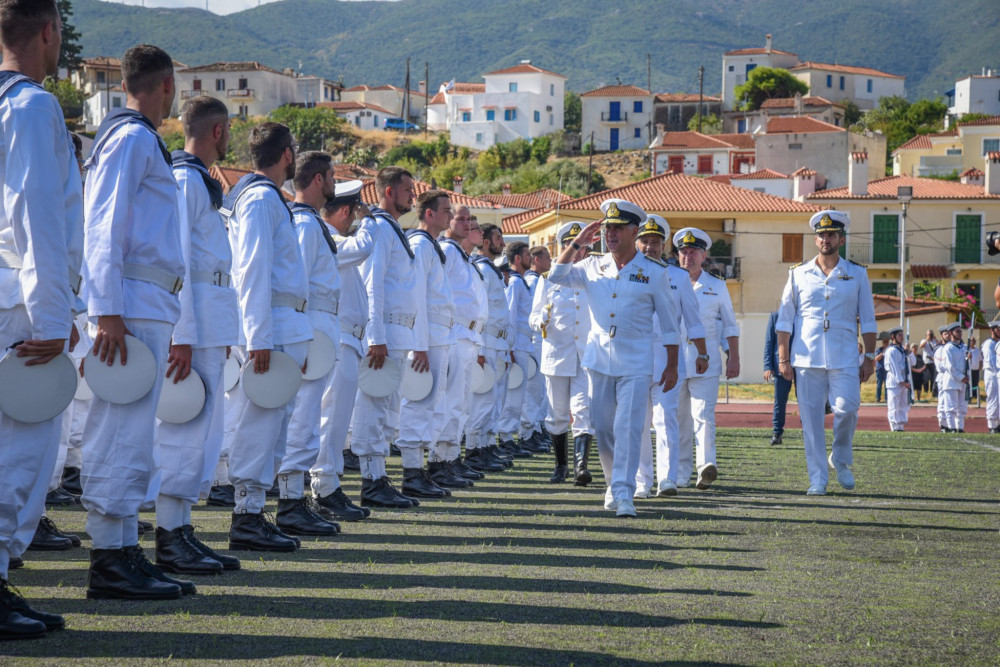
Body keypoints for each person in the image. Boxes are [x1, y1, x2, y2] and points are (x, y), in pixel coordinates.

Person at [82, 44, 192, 599]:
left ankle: (125, 547)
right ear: (166, 83)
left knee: (135, 436)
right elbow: (104, 226)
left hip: (145, 304)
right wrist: (107, 311)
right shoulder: (129, 138)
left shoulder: (140, 139)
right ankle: (108, 557)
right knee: (119, 431)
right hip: (128, 305)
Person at [0, 0, 82, 636]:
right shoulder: (32, 105)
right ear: (49, 31)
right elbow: (36, 218)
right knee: (19, 454)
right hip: (19, 306)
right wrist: (55, 314)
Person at [547, 199, 680, 517]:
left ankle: (624, 493)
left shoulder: (654, 272)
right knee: (604, 429)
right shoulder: (591, 266)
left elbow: (670, 324)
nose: (611, 234)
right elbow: (555, 275)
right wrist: (579, 243)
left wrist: (673, 365)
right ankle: (613, 484)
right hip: (599, 361)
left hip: (635, 361)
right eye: (608, 228)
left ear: (634, 232)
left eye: (618, 229)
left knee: (631, 427)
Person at [154, 95, 241, 575]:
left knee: (206, 430)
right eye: (228, 131)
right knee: (187, 429)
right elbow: (180, 261)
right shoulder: (187, 181)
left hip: (212, 322)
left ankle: (182, 526)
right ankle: (169, 533)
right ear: (218, 130)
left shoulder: (200, 183)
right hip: (196, 324)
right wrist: (182, 334)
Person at [222, 122, 311, 551]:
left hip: (282, 322)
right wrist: (258, 337)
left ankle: (255, 511)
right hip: (269, 324)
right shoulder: (259, 199)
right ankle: (247, 515)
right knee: (260, 422)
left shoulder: (266, 198)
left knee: (277, 423)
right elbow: (251, 271)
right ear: (288, 155)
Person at [776, 210, 876, 495]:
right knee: (811, 421)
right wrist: (783, 358)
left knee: (847, 409)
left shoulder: (857, 273)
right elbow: (784, 320)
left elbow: (868, 320)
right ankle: (817, 478)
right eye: (821, 235)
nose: (825, 239)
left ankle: (840, 458)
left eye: (831, 235)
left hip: (844, 355)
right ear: (816, 239)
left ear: (840, 239)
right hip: (806, 357)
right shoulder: (798, 273)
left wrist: (869, 357)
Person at [275, 151, 345, 537]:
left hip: (320, 325)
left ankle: (295, 500)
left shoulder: (311, 223)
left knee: (308, 417)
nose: (335, 182)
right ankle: (289, 502)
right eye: (332, 175)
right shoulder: (303, 224)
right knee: (302, 418)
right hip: (309, 325)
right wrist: (300, 334)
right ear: (319, 179)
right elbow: (296, 281)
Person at [351, 166, 423, 508]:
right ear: (389, 191)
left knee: (388, 411)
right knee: (373, 408)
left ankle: (379, 475)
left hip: (399, 332)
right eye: (408, 189)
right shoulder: (378, 227)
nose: (414, 195)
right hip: (385, 333)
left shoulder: (392, 229)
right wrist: (374, 335)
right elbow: (372, 282)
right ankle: (371, 479)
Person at [632, 216, 707, 498]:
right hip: (636, 359)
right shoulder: (626, 274)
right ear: (636, 243)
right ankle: (642, 482)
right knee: (638, 423)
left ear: (663, 245)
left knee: (666, 421)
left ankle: (668, 479)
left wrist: (703, 352)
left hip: (669, 360)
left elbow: (693, 318)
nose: (650, 247)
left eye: (655, 242)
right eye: (645, 241)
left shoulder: (677, 277)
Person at [310, 182, 371, 521]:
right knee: (331, 419)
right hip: (339, 339)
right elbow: (365, 246)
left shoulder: (336, 241)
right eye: (355, 211)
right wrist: (372, 217)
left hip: (349, 339)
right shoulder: (334, 240)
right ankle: (324, 488)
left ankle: (329, 484)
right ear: (348, 211)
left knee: (337, 419)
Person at [397, 190, 460, 498]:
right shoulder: (421, 246)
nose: (450, 215)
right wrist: (418, 344)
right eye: (446, 210)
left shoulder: (432, 247)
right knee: (419, 401)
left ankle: (419, 470)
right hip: (428, 335)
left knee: (434, 405)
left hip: (440, 334)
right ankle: (411, 473)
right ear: (430, 214)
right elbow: (417, 297)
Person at [672, 227, 739, 490]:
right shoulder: (668, 281)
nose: (688, 256)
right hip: (673, 362)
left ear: (704, 255)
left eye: (693, 252)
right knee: (678, 419)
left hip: (706, 361)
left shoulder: (717, 286)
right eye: (684, 252)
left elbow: (731, 325)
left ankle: (706, 466)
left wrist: (734, 357)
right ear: (678, 255)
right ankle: (679, 473)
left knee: (703, 414)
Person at [528, 222, 595, 483]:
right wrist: (540, 320)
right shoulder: (548, 279)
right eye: (572, 246)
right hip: (557, 353)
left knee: (582, 409)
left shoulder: (593, 274)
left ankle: (581, 466)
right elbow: (533, 317)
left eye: (582, 247)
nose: (578, 252)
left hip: (586, 354)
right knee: (556, 413)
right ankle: (561, 465)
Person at [438, 205, 489, 483]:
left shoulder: (462, 255)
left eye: (470, 219)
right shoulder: (447, 251)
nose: (468, 224)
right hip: (455, 333)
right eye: (461, 218)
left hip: (470, 336)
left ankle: (451, 457)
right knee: (451, 402)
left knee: (463, 403)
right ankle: (439, 461)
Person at [467, 223, 515, 471]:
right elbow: (480, 311)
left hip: (498, 342)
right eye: (498, 238)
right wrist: (481, 350)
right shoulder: (483, 270)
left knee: (493, 401)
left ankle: (485, 445)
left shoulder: (491, 270)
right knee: (483, 399)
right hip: (487, 342)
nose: (502, 243)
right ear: (485, 241)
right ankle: (474, 449)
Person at [496, 241, 536, 458]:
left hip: (523, 342)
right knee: (512, 393)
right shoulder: (515, 283)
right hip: (516, 342)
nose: (530, 258)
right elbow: (510, 314)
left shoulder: (521, 282)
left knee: (518, 394)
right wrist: (509, 345)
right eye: (527, 254)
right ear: (518, 258)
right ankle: (505, 436)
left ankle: (509, 434)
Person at [520, 245, 552, 453]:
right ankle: (527, 433)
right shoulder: (531, 282)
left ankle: (537, 428)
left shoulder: (535, 280)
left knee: (541, 390)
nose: (550, 261)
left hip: (538, 342)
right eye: (547, 257)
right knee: (533, 391)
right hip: (533, 341)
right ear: (537, 260)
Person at [763, 311, 793, 445]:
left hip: (802, 365)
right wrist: (768, 366)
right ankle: (777, 433)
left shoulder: (802, 316)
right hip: (781, 366)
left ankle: (809, 433)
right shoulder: (775, 317)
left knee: (806, 402)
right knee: (779, 402)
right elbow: (769, 342)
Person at [940, 322, 968, 433]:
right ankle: (951, 427)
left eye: (961, 331)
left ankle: (960, 427)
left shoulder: (964, 347)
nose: (960, 333)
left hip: (962, 381)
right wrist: (960, 377)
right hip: (951, 381)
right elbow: (949, 367)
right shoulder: (948, 348)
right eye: (958, 331)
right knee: (951, 407)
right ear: (951, 333)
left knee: (962, 407)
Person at [884, 327, 910, 431]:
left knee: (903, 405)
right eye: (899, 335)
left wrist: (909, 352)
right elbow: (894, 368)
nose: (902, 337)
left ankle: (901, 426)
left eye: (902, 335)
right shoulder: (891, 351)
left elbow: (912, 363)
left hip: (903, 381)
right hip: (895, 382)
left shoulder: (903, 351)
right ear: (893, 337)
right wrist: (902, 381)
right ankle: (894, 426)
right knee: (894, 405)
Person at [982, 321, 1000, 433]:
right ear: (992, 330)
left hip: (998, 374)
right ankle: (992, 425)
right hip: (992, 374)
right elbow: (992, 363)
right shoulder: (989, 344)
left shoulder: (998, 343)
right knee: (993, 399)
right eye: (998, 329)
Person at [923, 329, 940, 398]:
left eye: (931, 334)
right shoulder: (924, 341)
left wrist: (936, 339)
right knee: (926, 377)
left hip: (933, 362)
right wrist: (927, 340)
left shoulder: (934, 342)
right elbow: (921, 346)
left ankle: (933, 391)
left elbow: (940, 346)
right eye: (929, 334)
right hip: (926, 362)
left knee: (933, 377)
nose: (930, 336)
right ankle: (926, 391)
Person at [874, 335, 889, 402]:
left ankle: (886, 398)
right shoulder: (878, 350)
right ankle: (878, 398)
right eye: (885, 342)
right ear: (882, 343)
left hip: (887, 370)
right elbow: (876, 359)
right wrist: (882, 353)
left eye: (887, 342)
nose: (886, 344)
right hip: (880, 369)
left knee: (887, 385)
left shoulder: (890, 350)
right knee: (879, 384)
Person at [968, 336, 982, 401]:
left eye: (973, 341)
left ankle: (975, 395)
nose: (972, 342)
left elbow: (980, 359)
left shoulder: (977, 350)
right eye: (971, 341)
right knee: (970, 383)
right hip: (969, 370)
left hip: (976, 369)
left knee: (976, 382)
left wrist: (980, 366)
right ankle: (969, 395)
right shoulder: (967, 350)